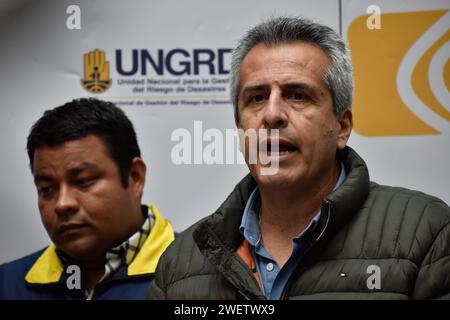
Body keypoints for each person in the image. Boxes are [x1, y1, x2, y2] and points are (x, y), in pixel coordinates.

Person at [148, 17, 450, 300]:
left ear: (341, 127)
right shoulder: (180, 265)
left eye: (298, 95)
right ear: (240, 128)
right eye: (256, 97)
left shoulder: (424, 235)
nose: (272, 114)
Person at [0, 98, 175, 299]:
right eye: (47, 189)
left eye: (83, 181)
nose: (63, 203)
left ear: (135, 177)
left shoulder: (208, 276)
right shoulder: (7, 284)